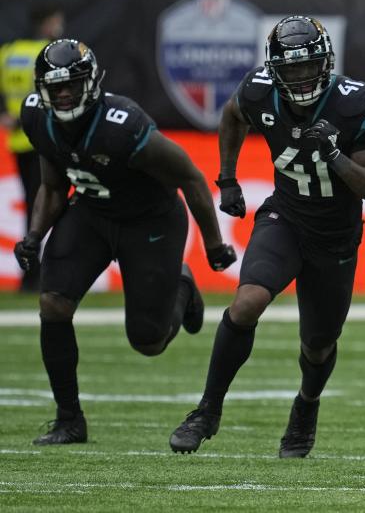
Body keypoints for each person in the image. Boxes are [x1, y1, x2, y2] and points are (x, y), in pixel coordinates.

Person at [168, 16, 365, 458]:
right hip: (286, 217)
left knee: (318, 345)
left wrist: (336, 156)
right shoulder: (258, 89)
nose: (300, 77)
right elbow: (233, 114)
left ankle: (306, 406)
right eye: (290, 70)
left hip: (335, 236)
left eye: (308, 67)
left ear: (325, 64)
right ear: (275, 69)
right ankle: (207, 410)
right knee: (247, 301)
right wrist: (227, 178)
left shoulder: (354, 103)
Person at [14, 39, 237, 445]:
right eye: (55, 85)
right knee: (53, 304)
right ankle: (69, 419)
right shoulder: (37, 116)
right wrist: (33, 235)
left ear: (92, 83)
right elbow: (50, 184)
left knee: (148, 342)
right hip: (91, 213)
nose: (63, 93)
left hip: (149, 220)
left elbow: (189, 176)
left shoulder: (122, 124)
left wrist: (213, 244)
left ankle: (182, 288)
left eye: (72, 84)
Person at [0, 0, 63, 292]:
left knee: (33, 205)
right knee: (50, 204)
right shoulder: (46, 53)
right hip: (44, 138)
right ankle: (42, 271)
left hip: (17, 140)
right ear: (47, 22)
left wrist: (8, 116)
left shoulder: (8, 53)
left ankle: (30, 273)